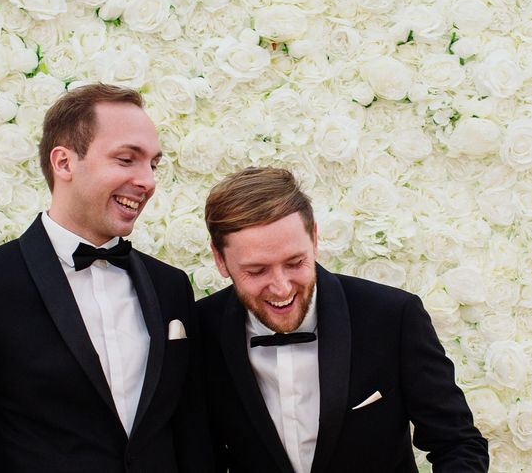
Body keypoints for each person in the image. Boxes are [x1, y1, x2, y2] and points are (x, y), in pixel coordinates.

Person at [0, 83, 214, 473]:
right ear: (64, 163)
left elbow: (189, 436)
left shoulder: (170, 286)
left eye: (153, 165)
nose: (148, 181)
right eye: (127, 160)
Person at [197, 167, 488, 473]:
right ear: (220, 260)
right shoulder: (201, 330)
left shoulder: (392, 317)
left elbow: (458, 444)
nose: (281, 287)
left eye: (295, 262)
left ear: (315, 239)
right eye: (257, 271)